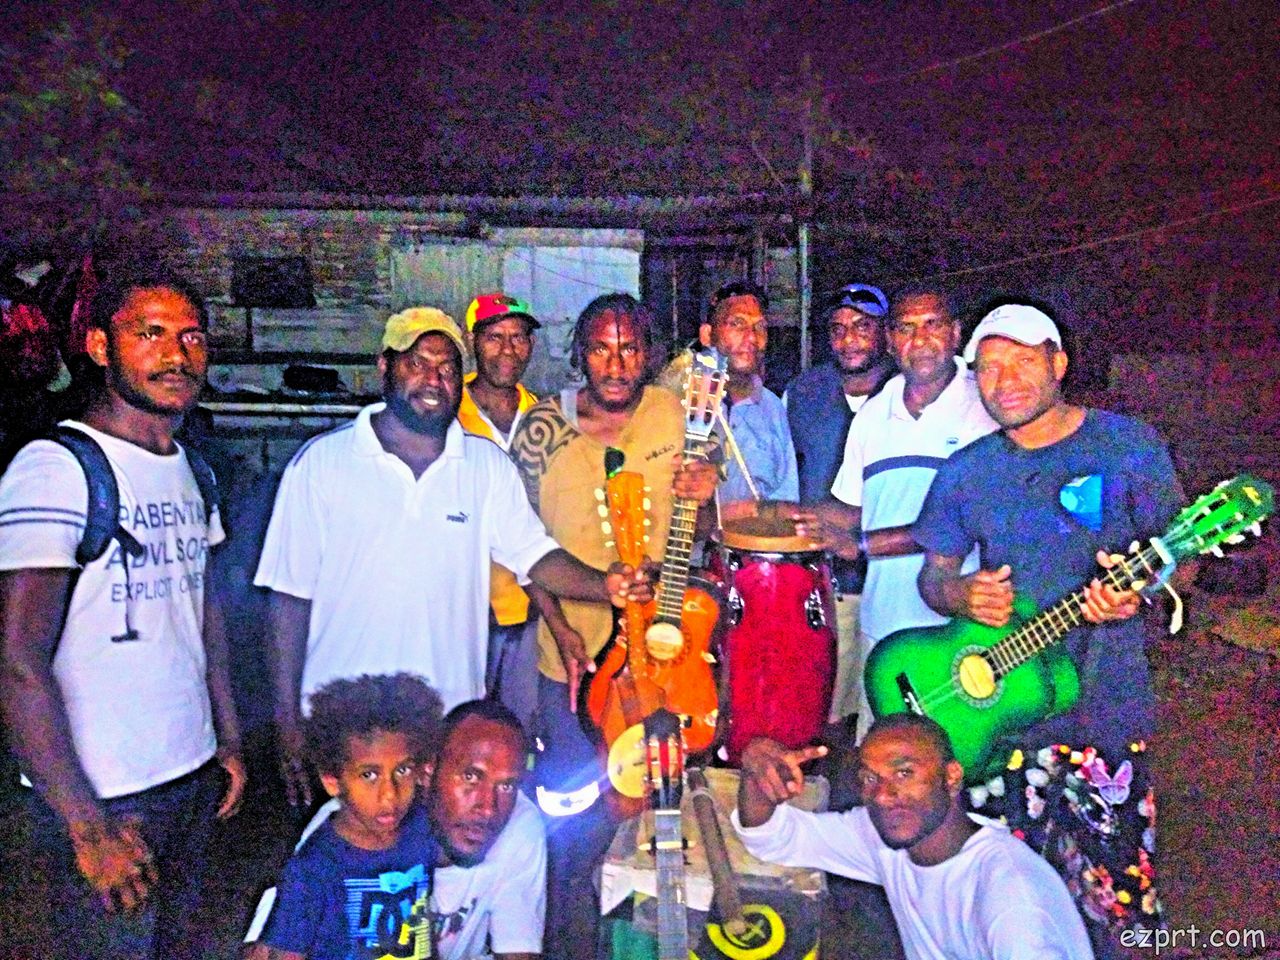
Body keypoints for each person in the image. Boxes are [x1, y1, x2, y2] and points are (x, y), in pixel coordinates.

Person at [254, 307, 652, 808]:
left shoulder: (484, 466)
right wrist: (287, 720)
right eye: (417, 363)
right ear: (385, 366)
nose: (433, 379)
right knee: (350, 851)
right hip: (345, 723)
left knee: (438, 846)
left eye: (446, 367)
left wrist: (605, 584)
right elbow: (288, 600)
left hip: (446, 720)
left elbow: (535, 556)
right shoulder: (322, 464)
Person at [912, 303, 1188, 955]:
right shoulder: (966, 470)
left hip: (1105, 713)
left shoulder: (1128, 447)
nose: (1004, 380)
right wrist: (959, 593)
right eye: (988, 367)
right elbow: (933, 577)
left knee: (1118, 905)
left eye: (1023, 361)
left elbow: (1185, 555)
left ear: (1059, 363)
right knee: (1003, 906)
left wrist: (1145, 587)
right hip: (1001, 725)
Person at [0, 264, 246, 960]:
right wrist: (87, 827)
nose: (176, 355)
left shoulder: (193, 469)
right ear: (101, 346)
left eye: (191, 336)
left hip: (188, 780)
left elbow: (203, 620)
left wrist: (225, 738)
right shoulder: (56, 469)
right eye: (151, 334)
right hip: (102, 800)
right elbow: (16, 661)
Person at [509, 293, 718, 958]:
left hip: (663, 663)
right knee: (573, 815)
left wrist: (706, 498)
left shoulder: (676, 414)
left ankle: (647, 937)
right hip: (570, 660)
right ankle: (567, 939)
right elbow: (518, 542)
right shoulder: (540, 430)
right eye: (601, 348)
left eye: (630, 348)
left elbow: (705, 530)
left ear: (648, 354)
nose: (617, 363)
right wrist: (559, 627)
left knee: (656, 811)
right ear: (580, 354)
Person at [733, 715, 1094, 960]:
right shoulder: (887, 836)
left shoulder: (1011, 897)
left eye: (904, 773)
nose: (883, 795)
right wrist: (758, 775)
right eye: (870, 778)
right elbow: (773, 836)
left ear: (951, 778)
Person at [818, 289, 997, 738]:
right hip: (883, 627)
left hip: (962, 633)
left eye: (932, 324)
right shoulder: (873, 415)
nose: (920, 340)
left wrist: (862, 545)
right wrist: (782, 519)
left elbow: (967, 521)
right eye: (905, 328)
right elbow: (850, 510)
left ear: (956, 333)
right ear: (890, 340)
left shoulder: (988, 406)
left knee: (958, 756)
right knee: (882, 754)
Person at [248, 697, 546, 960]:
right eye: (470, 777)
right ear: (427, 770)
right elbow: (267, 949)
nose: (488, 807)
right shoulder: (341, 835)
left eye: (506, 785)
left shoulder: (515, 827)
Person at [249, 673, 445, 960]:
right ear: (332, 781)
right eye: (369, 775)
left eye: (402, 770)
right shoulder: (314, 869)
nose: (390, 794)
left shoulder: (422, 831)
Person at [785, 283, 895, 724]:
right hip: (821, 581)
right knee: (820, 707)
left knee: (883, 708)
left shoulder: (907, 392)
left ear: (886, 333)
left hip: (892, 581)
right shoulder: (804, 393)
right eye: (838, 329)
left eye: (862, 327)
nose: (849, 339)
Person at [457, 293, 542, 722]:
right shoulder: (447, 411)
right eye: (494, 337)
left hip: (529, 609)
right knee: (456, 727)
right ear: (473, 341)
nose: (508, 349)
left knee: (517, 728)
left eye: (518, 337)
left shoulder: (544, 417)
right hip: (460, 609)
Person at [697, 281, 797, 505]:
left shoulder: (772, 408)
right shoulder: (678, 401)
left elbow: (786, 501)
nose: (752, 337)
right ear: (707, 335)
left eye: (760, 327)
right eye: (737, 324)